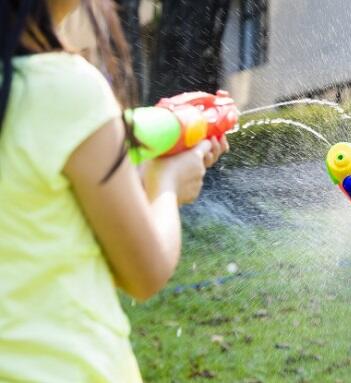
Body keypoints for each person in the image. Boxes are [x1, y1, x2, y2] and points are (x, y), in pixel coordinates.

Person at [0, 0, 228, 381]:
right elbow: (144, 273)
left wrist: (131, 174)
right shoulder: (64, 87)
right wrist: (167, 183)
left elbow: (40, 214)